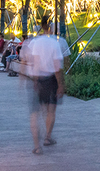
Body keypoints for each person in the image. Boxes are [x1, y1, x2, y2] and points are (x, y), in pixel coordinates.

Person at [18, 17, 69, 155]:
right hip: (51, 79)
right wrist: (60, 85)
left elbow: (32, 61)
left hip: (37, 80)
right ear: (50, 28)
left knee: (35, 114)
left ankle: (37, 146)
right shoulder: (55, 43)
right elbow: (58, 67)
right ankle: (47, 137)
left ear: (40, 28)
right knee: (50, 111)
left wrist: (31, 79)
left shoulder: (34, 43)